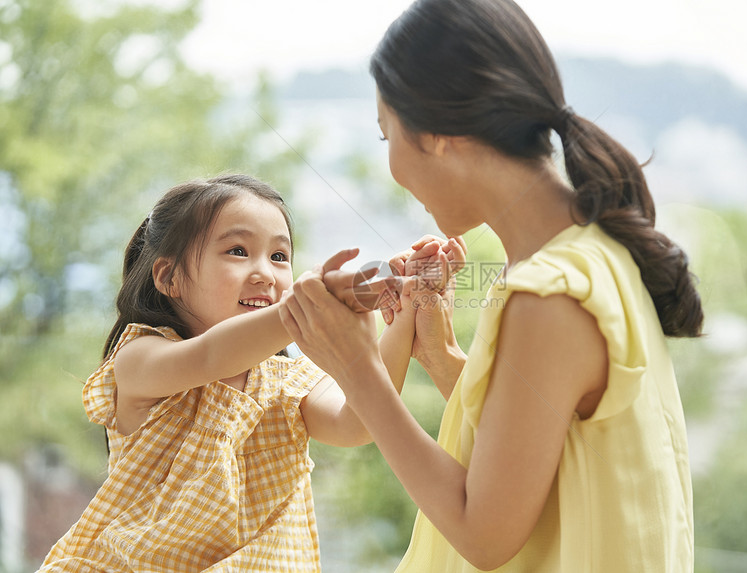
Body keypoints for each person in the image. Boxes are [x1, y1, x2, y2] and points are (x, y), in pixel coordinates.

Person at [280, 0, 705, 571]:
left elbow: (483, 534)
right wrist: (441, 356)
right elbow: (534, 451)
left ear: (436, 133)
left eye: (388, 138)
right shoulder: (583, 258)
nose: (393, 167)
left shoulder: (550, 295)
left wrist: (356, 367)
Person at [37, 174, 417, 572]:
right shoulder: (141, 357)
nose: (265, 274)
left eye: (279, 257)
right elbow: (213, 356)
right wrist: (312, 306)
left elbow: (357, 422)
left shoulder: (290, 380)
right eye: (238, 251)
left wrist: (403, 310)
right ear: (169, 277)